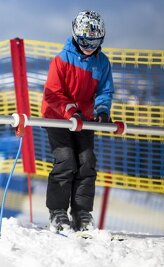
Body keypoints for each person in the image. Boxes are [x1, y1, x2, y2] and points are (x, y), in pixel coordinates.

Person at [41, 10, 114, 232]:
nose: (89, 47)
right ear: (75, 36)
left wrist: (102, 110)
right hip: (58, 118)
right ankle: (58, 212)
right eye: (84, 41)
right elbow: (52, 93)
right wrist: (71, 111)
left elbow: (105, 90)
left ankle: (82, 212)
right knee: (65, 160)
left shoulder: (101, 63)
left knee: (86, 161)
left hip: (85, 119)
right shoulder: (61, 60)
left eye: (94, 42)